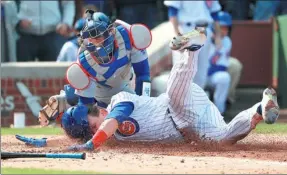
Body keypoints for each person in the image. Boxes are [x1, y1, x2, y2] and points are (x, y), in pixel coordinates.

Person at [15, 28, 280, 150]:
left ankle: (191, 47)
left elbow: (103, 129)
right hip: (191, 126)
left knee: (175, 95)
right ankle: (260, 108)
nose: (95, 129)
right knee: (224, 138)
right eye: (90, 130)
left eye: (91, 123)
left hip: (178, 106)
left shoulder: (118, 104)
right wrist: (44, 142)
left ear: (94, 110)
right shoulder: (106, 133)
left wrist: (91, 143)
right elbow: (78, 139)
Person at [35, 10, 152, 126]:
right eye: (90, 38)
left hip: (126, 82)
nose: (94, 43)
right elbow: (86, 104)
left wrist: (143, 103)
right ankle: (67, 101)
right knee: (84, 117)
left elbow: (143, 75)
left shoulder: (129, 36)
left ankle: (68, 98)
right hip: (101, 89)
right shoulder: (84, 59)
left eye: (97, 37)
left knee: (136, 111)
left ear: (111, 31)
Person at [164, 1, 222, 89]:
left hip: (205, 30)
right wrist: (178, 35)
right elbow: (172, 11)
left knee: (201, 72)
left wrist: (218, 36)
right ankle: (180, 101)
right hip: (187, 29)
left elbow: (215, 13)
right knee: (182, 71)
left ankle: (197, 101)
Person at [206, 11, 232, 114]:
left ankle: (219, 113)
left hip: (211, 75)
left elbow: (221, 66)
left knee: (224, 78)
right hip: (197, 75)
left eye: (226, 28)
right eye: (221, 27)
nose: (224, 30)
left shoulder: (226, 41)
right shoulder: (203, 37)